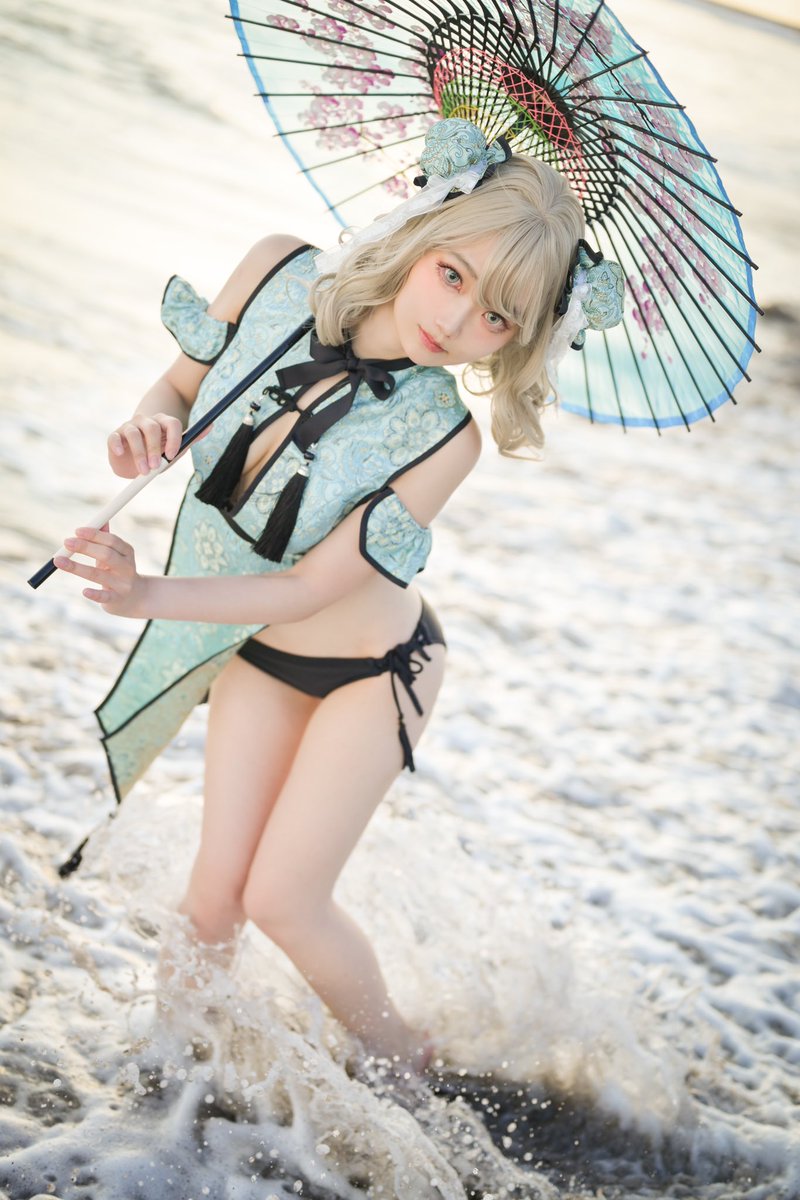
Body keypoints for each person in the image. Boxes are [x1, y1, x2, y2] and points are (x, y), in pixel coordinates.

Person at [54, 121, 590, 1076]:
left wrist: (144, 593)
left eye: (499, 318)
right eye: (453, 275)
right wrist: (147, 427)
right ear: (424, 230)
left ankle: (409, 1073)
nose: (457, 322)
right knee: (214, 895)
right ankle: (167, 1095)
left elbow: (309, 586)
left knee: (284, 901)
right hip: (262, 648)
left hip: (376, 671)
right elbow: (174, 388)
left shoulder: (446, 439)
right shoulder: (274, 273)